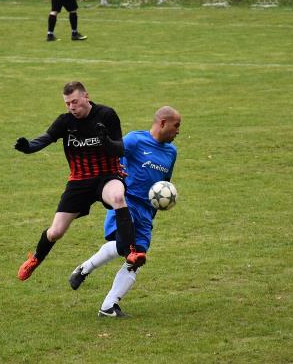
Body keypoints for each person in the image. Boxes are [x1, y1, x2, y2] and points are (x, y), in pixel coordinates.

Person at [15, 81, 145, 281]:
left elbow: (119, 150)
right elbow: (46, 138)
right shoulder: (65, 121)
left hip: (107, 175)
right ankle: (35, 259)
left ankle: (131, 252)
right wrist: (29, 147)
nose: (71, 107)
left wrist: (106, 141)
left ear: (86, 96)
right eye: (67, 103)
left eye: (74, 102)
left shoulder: (106, 115)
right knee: (55, 232)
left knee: (118, 197)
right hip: (79, 181)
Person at [68, 106, 181, 317]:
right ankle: (85, 269)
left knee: (137, 258)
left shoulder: (171, 152)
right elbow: (111, 155)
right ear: (162, 123)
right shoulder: (135, 140)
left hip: (146, 211)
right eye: (176, 126)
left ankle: (108, 306)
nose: (178, 131)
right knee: (125, 248)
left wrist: (160, 204)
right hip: (124, 203)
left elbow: (164, 183)